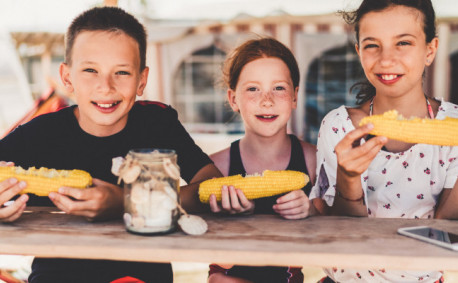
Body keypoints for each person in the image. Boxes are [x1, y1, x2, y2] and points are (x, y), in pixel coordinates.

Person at [0, 6, 222, 283]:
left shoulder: (157, 122)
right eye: (90, 70)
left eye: (122, 73)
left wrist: (128, 202)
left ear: (142, 80)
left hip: (140, 273)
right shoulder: (39, 132)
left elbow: (211, 183)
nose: (105, 86)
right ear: (67, 77)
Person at [309, 0, 458, 282]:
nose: (386, 59)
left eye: (403, 43)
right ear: (359, 52)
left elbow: (447, 232)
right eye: (372, 45)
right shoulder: (338, 126)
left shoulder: (454, 126)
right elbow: (341, 229)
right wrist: (348, 176)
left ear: (430, 50)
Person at [207, 37, 324, 283]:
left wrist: (311, 210)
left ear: (295, 96)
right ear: (233, 99)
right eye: (253, 89)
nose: (266, 100)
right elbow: (213, 260)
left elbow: (337, 226)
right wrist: (229, 223)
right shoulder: (216, 167)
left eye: (279, 88)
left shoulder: (313, 160)